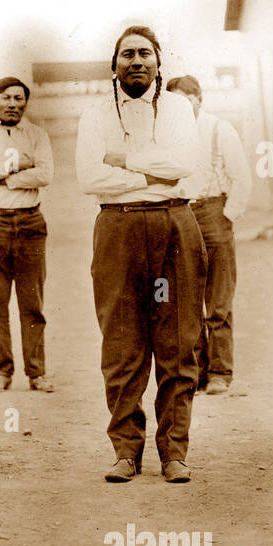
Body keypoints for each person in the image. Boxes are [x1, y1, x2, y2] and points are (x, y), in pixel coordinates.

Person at [74, 25, 203, 484]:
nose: (136, 62)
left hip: (174, 226)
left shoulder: (178, 107)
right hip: (118, 228)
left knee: (178, 341)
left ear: (158, 62)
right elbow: (90, 177)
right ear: (114, 65)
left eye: (145, 54)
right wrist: (151, 174)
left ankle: (174, 452)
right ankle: (126, 451)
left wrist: (124, 160)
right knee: (122, 344)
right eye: (126, 55)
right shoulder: (94, 114)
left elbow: (182, 166)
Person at [166, 74, 252, 395]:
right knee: (185, 297)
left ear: (198, 99)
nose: (180, 108)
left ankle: (220, 372)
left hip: (214, 211)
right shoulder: (168, 134)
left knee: (218, 297)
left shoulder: (219, 130)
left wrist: (226, 217)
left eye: (185, 100)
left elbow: (241, 177)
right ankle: (196, 371)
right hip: (180, 212)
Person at [0, 76, 55, 393]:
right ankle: (2, 371)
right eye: (7, 98)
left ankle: (36, 373)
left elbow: (45, 174)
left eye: (19, 99)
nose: (13, 104)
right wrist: (17, 168)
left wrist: (4, 176)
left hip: (29, 223)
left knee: (31, 302)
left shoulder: (37, 134)